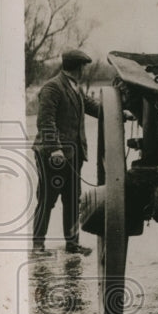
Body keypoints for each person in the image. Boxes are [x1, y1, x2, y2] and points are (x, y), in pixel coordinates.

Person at [31, 49, 101, 258]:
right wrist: (55, 149)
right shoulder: (53, 87)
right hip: (53, 155)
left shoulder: (74, 87)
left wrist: (121, 113)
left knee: (72, 200)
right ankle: (37, 246)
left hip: (73, 155)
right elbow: (45, 121)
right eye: (83, 67)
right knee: (47, 199)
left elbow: (94, 107)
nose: (84, 71)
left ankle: (72, 244)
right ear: (78, 67)